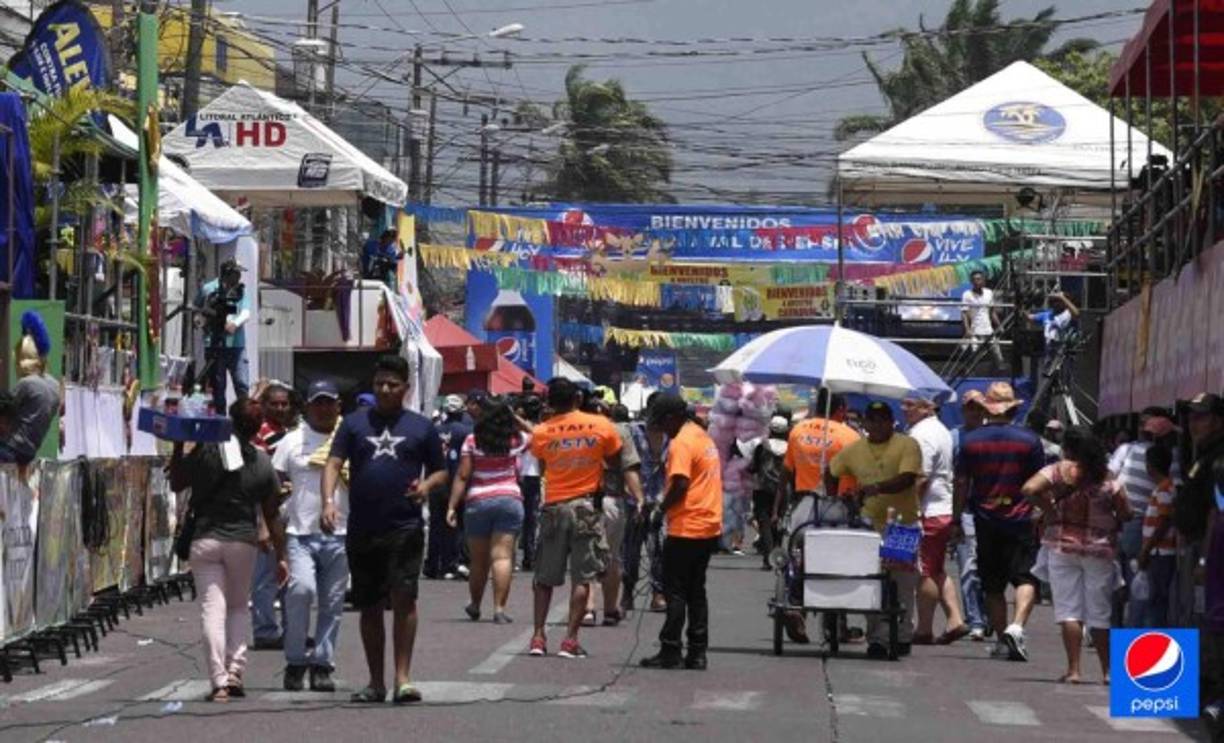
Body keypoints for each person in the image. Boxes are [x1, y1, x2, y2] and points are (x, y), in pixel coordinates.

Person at [322, 355, 447, 704]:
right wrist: (328, 502)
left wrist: (426, 487)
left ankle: (402, 679)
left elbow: (440, 471)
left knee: (405, 599)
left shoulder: (422, 427)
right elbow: (333, 463)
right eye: (379, 384)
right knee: (369, 605)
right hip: (363, 526)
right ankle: (375, 682)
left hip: (404, 526)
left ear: (406, 388)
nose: (385, 390)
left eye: (392, 384)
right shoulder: (352, 424)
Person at [170, 398, 286, 702]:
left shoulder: (208, 452)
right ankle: (235, 671)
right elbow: (272, 511)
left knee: (212, 609)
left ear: (229, 421)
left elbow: (177, 482)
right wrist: (281, 554)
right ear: (258, 427)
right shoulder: (261, 462)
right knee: (236, 608)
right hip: (242, 541)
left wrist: (179, 445)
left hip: (205, 539)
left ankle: (218, 681)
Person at [1022, 426, 1131, 684]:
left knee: (1069, 611)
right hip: (1099, 550)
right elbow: (1125, 512)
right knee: (1100, 613)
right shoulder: (1106, 476)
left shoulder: (1058, 471)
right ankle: (1108, 672)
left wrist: (1048, 510)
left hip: (1063, 547)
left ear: (1068, 448)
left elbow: (1028, 488)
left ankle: (1074, 670)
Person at [526, 378, 623, 660]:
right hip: (585, 508)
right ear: (578, 399)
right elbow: (615, 460)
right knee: (583, 577)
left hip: (554, 507)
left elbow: (543, 466)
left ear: (549, 403)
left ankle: (538, 637)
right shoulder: (601, 425)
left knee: (544, 578)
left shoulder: (542, 432)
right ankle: (569, 640)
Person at [954, 382, 1045, 662]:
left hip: (985, 519)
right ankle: (1017, 627)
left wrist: (955, 518)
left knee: (992, 585)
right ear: (1014, 408)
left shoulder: (970, 441)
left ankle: (1005, 637)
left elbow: (961, 483)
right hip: (1021, 519)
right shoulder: (1030, 440)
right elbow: (1039, 482)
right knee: (1025, 576)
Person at [830, 401, 923, 659]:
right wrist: (833, 499)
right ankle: (878, 638)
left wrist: (877, 488)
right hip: (868, 526)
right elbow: (832, 470)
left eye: (883, 419)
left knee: (902, 582)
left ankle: (902, 633)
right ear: (865, 423)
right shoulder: (855, 449)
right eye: (873, 419)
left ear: (891, 421)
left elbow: (907, 478)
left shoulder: (907, 445)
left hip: (902, 525)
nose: (878, 424)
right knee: (871, 581)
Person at [273, 380, 348, 692]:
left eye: (328, 402)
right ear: (306, 405)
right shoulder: (291, 441)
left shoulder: (349, 438)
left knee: (332, 603)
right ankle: (294, 661)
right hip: (300, 532)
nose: (323, 408)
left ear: (338, 404)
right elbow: (274, 481)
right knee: (300, 592)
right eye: (317, 402)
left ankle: (322, 664)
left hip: (341, 534)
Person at [640, 394, 723, 670]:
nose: (663, 430)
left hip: (687, 525)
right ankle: (698, 652)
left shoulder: (681, 443)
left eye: (663, 423)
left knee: (675, 591)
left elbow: (680, 484)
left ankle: (670, 649)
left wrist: (659, 510)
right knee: (696, 590)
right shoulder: (701, 435)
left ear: (672, 418)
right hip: (709, 524)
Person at [779, 390, 861, 643]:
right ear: (841, 409)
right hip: (838, 505)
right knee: (839, 561)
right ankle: (839, 622)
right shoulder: (850, 436)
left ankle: (794, 603)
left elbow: (786, 473)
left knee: (796, 555)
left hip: (804, 504)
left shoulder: (798, 430)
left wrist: (780, 507)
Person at [446, 397, 529, 624]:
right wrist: (514, 417)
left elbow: (462, 475)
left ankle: (475, 604)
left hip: (478, 501)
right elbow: (538, 434)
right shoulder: (515, 440)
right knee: (502, 557)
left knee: (479, 561)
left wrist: (452, 505)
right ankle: (499, 609)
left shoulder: (472, 440)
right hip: (509, 499)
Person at [902, 396, 969, 645]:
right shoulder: (939, 429)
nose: (904, 409)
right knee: (937, 568)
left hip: (928, 511)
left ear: (927, 408)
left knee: (924, 572)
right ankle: (955, 619)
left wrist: (912, 510)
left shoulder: (922, 435)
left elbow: (922, 477)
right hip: (941, 508)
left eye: (910, 405)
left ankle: (924, 628)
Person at [1175, 393, 1224, 726]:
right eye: (1191, 417)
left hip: (1207, 553)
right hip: (1190, 547)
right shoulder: (1201, 454)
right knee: (1184, 615)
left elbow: (1215, 513)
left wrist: (1205, 561)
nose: (1194, 424)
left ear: (1218, 420)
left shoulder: (1219, 458)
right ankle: (1180, 694)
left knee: (1202, 621)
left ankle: (1204, 696)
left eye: (1201, 417)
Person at [1109, 408, 1179, 626]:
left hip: (1122, 521)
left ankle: (1116, 631)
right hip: (1143, 529)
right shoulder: (1170, 459)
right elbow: (1172, 502)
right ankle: (1134, 636)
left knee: (1122, 582)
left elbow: (1110, 478)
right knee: (1143, 589)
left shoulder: (1126, 450)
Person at [583, 402, 644, 627]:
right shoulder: (618, 432)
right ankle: (609, 609)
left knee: (586, 554)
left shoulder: (573, 430)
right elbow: (630, 467)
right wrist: (639, 498)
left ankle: (588, 609)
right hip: (612, 499)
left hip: (582, 499)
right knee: (612, 555)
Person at [251, 381, 297, 651]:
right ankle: (265, 631)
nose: (280, 408)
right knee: (266, 578)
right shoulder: (260, 435)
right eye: (274, 404)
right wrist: (262, 523)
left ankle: (292, 630)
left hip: (290, 514)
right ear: (265, 406)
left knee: (289, 576)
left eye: (284, 404)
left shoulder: (290, 434)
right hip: (268, 514)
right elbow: (259, 480)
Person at [951, 390, 989, 641]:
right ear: (963, 410)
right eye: (970, 408)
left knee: (988, 569)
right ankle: (975, 619)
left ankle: (988, 617)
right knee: (968, 568)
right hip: (965, 510)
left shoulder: (992, 436)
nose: (974, 412)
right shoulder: (953, 437)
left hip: (991, 510)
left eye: (978, 408)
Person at [624, 394, 667, 613]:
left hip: (661, 502)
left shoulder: (673, 436)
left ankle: (658, 593)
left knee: (659, 550)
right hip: (634, 501)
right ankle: (627, 591)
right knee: (631, 552)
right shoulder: (633, 430)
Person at [194, 259, 252, 414]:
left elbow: (246, 312)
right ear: (227, 273)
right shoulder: (209, 289)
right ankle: (220, 422)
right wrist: (202, 321)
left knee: (242, 384)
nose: (239, 277)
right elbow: (197, 309)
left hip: (236, 347)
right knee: (218, 388)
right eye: (236, 273)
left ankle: (244, 418)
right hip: (215, 344)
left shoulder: (240, 290)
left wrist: (235, 323)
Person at [428, 395, 471, 581]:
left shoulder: (434, 430)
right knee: (456, 524)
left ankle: (431, 564)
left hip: (436, 481)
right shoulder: (465, 431)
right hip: (456, 482)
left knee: (436, 525)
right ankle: (451, 563)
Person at [9, 311, 59, 466]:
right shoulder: (55, 385)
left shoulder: (27, 383)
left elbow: (6, 409)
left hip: (13, 447)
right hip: (31, 449)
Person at [1138, 444, 1177, 628]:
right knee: (1155, 600)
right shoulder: (1165, 487)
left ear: (1150, 465)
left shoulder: (1163, 489)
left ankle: (1155, 642)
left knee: (1156, 600)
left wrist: (1146, 549)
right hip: (1159, 552)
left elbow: (1164, 520)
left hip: (1160, 553)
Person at [748, 416, 789, 571]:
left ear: (771, 429)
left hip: (762, 488)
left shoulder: (762, 446)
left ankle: (767, 558)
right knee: (778, 522)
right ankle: (777, 557)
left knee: (764, 523)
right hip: (783, 490)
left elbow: (753, 468)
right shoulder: (790, 448)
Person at [517, 394, 544, 571]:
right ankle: (529, 556)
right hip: (533, 477)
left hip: (519, 477)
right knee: (531, 519)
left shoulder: (515, 431)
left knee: (518, 519)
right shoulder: (542, 430)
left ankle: (519, 556)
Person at [961, 270, 1005, 369]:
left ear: (983, 281)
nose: (978, 281)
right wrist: (967, 329)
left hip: (988, 329)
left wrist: (999, 325)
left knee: (997, 354)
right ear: (971, 282)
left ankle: (999, 373)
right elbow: (964, 313)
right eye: (975, 280)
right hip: (974, 330)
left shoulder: (989, 293)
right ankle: (970, 373)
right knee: (973, 353)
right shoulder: (967, 294)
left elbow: (992, 312)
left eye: (979, 279)